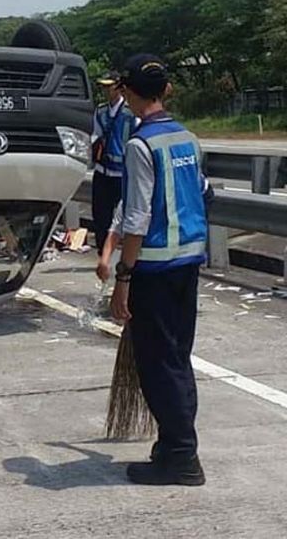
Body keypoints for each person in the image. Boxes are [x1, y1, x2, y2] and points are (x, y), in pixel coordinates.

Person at [99, 54, 210, 486]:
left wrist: (123, 279)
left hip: (155, 271)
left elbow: (137, 219)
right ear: (165, 90)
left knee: (159, 365)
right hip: (188, 264)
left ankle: (182, 456)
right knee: (176, 359)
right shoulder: (187, 138)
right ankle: (173, 446)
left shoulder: (139, 145)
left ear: (127, 93)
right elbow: (202, 194)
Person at [91, 72, 138, 251]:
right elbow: (95, 135)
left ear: (119, 87)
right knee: (101, 216)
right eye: (103, 86)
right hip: (102, 170)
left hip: (122, 172)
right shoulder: (101, 111)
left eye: (109, 86)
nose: (105, 90)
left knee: (125, 216)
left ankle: (128, 253)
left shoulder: (130, 112)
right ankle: (103, 254)